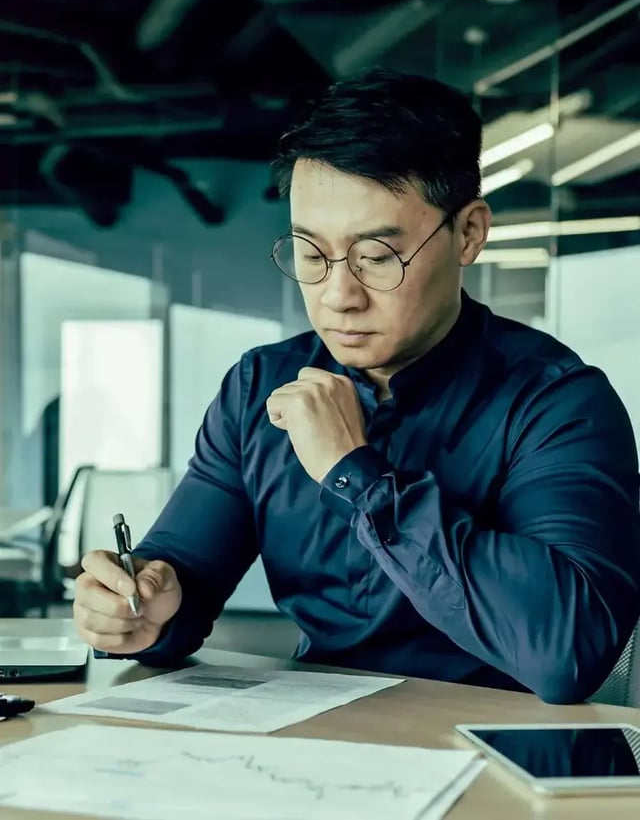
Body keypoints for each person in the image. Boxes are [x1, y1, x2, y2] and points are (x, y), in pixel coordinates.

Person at [73, 68, 640, 704]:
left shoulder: (558, 401)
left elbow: (570, 651)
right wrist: (140, 611)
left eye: (375, 257)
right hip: (316, 746)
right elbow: (183, 573)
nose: (338, 297)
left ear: (469, 234)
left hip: (495, 756)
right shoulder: (260, 386)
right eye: (311, 256)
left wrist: (355, 473)